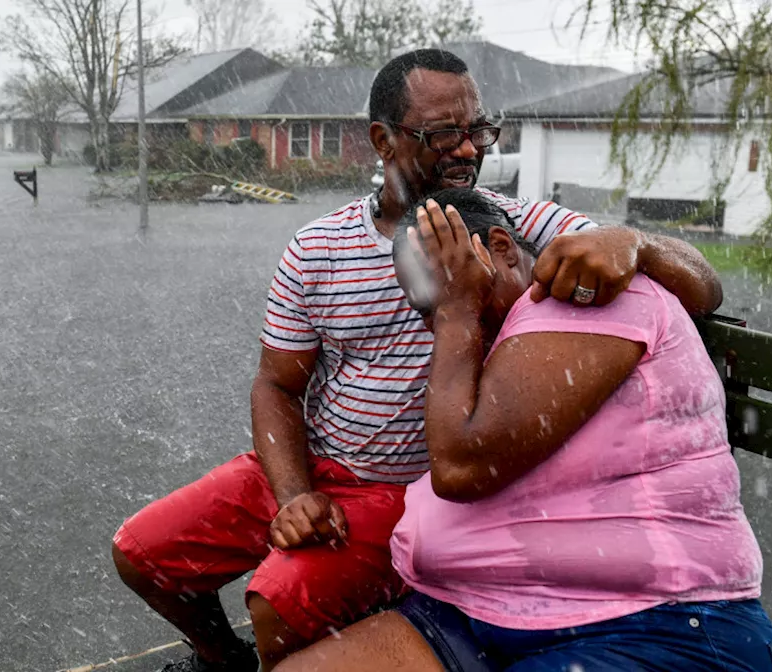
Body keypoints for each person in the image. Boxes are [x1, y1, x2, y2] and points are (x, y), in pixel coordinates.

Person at [110, 49, 724, 672]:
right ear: (383, 139)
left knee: (280, 598)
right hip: (313, 463)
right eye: (444, 134)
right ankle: (221, 660)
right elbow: (276, 385)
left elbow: (703, 283)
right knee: (142, 553)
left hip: (403, 491)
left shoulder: (518, 221)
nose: (468, 149)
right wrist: (293, 492)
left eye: (479, 130)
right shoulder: (319, 247)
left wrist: (635, 242)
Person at [276, 189, 772, 672]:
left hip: (647, 621)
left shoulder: (583, 294)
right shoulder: (498, 331)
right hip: (476, 613)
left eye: (451, 286)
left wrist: (456, 310)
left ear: (500, 248)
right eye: (427, 310)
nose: (439, 322)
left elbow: (461, 465)